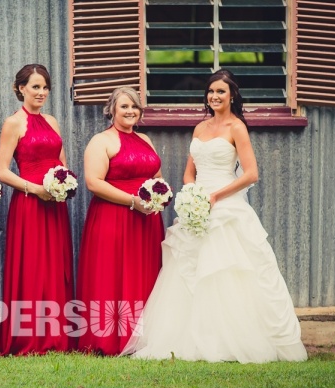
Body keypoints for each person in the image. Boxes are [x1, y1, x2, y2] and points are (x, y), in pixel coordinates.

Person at [122, 69, 308, 363]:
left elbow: (251, 174)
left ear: (232, 95)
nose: (215, 96)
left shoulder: (237, 128)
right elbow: (189, 171)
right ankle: (187, 337)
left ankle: (231, 338)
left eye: (221, 91)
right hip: (198, 206)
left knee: (227, 270)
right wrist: (192, 195)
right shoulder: (200, 128)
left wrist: (214, 197)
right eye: (210, 92)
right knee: (189, 270)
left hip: (227, 207)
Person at [76, 87, 165, 355]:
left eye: (134, 107)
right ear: (112, 109)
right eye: (124, 106)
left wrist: (158, 195)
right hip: (113, 218)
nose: (130, 111)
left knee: (145, 274)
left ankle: (142, 337)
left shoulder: (146, 139)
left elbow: (156, 176)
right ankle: (110, 339)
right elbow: (93, 182)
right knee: (112, 275)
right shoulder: (100, 141)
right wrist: (132, 201)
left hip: (146, 221)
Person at [0, 64, 73, 355]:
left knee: (55, 265)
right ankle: (30, 337)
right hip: (29, 203)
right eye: (35, 87)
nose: (41, 92)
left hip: (55, 204)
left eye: (45, 87)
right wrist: (36, 188)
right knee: (32, 266)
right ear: (20, 89)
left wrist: (63, 183)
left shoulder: (52, 121)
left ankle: (56, 335)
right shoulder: (14, 123)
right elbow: (2, 170)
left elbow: (61, 162)